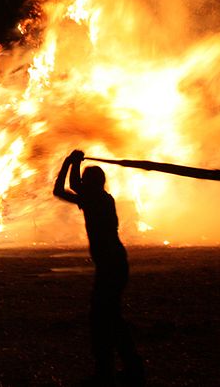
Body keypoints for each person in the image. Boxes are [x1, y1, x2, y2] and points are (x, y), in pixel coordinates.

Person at [53, 150, 145, 386]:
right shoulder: (100, 197)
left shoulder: (95, 199)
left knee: (102, 318)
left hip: (111, 266)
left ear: (91, 183)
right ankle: (129, 367)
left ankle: (109, 372)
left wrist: (69, 162)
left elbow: (65, 187)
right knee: (110, 317)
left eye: (85, 180)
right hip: (113, 263)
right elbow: (68, 187)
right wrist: (72, 163)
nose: (80, 183)